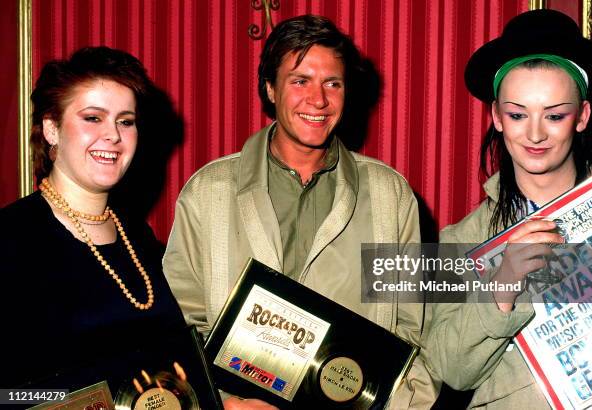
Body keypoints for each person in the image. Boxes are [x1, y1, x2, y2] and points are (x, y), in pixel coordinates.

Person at [163, 14, 437, 409]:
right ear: (270, 89)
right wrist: (226, 403)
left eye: (333, 83)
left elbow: (415, 336)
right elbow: (178, 328)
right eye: (300, 81)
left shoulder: (389, 196)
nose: (318, 99)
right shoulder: (209, 192)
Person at [426, 9, 592, 409]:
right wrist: (501, 286)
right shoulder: (460, 239)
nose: (535, 134)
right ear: (496, 117)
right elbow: (448, 369)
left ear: (582, 116)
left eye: (555, 115)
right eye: (517, 114)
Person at [0, 47, 185, 390]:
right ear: (52, 129)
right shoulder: (10, 239)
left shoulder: (138, 237)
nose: (113, 135)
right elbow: (8, 394)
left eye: (125, 121)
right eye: (93, 118)